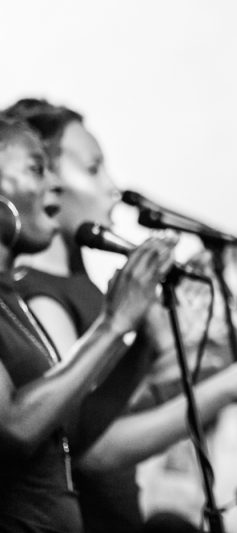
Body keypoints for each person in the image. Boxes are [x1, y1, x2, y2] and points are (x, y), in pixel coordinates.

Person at [7, 98, 237, 532]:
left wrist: (154, 333)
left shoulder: (85, 288)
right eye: (94, 167)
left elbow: (95, 418)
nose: (112, 186)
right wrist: (228, 386)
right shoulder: (41, 295)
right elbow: (90, 448)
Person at [0, 115, 177, 532]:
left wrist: (142, 339)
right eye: (35, 169)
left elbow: (74, 431)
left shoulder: (9, 300)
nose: (54, 184)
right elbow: (12, 431)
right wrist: (112, 326)